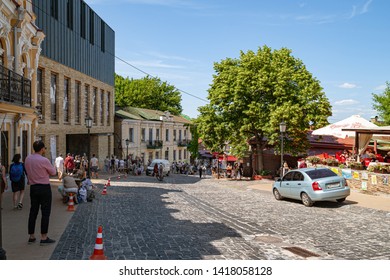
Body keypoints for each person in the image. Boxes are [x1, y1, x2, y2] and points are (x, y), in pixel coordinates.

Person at [24, 140, 57, 245]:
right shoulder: (44, 160)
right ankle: (44, 237)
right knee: (45, 212)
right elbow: (53, 172)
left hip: (33, 188)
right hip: (44, 188)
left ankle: (31, 236)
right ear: (42, 149)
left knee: (33, 211)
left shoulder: (28, 158)